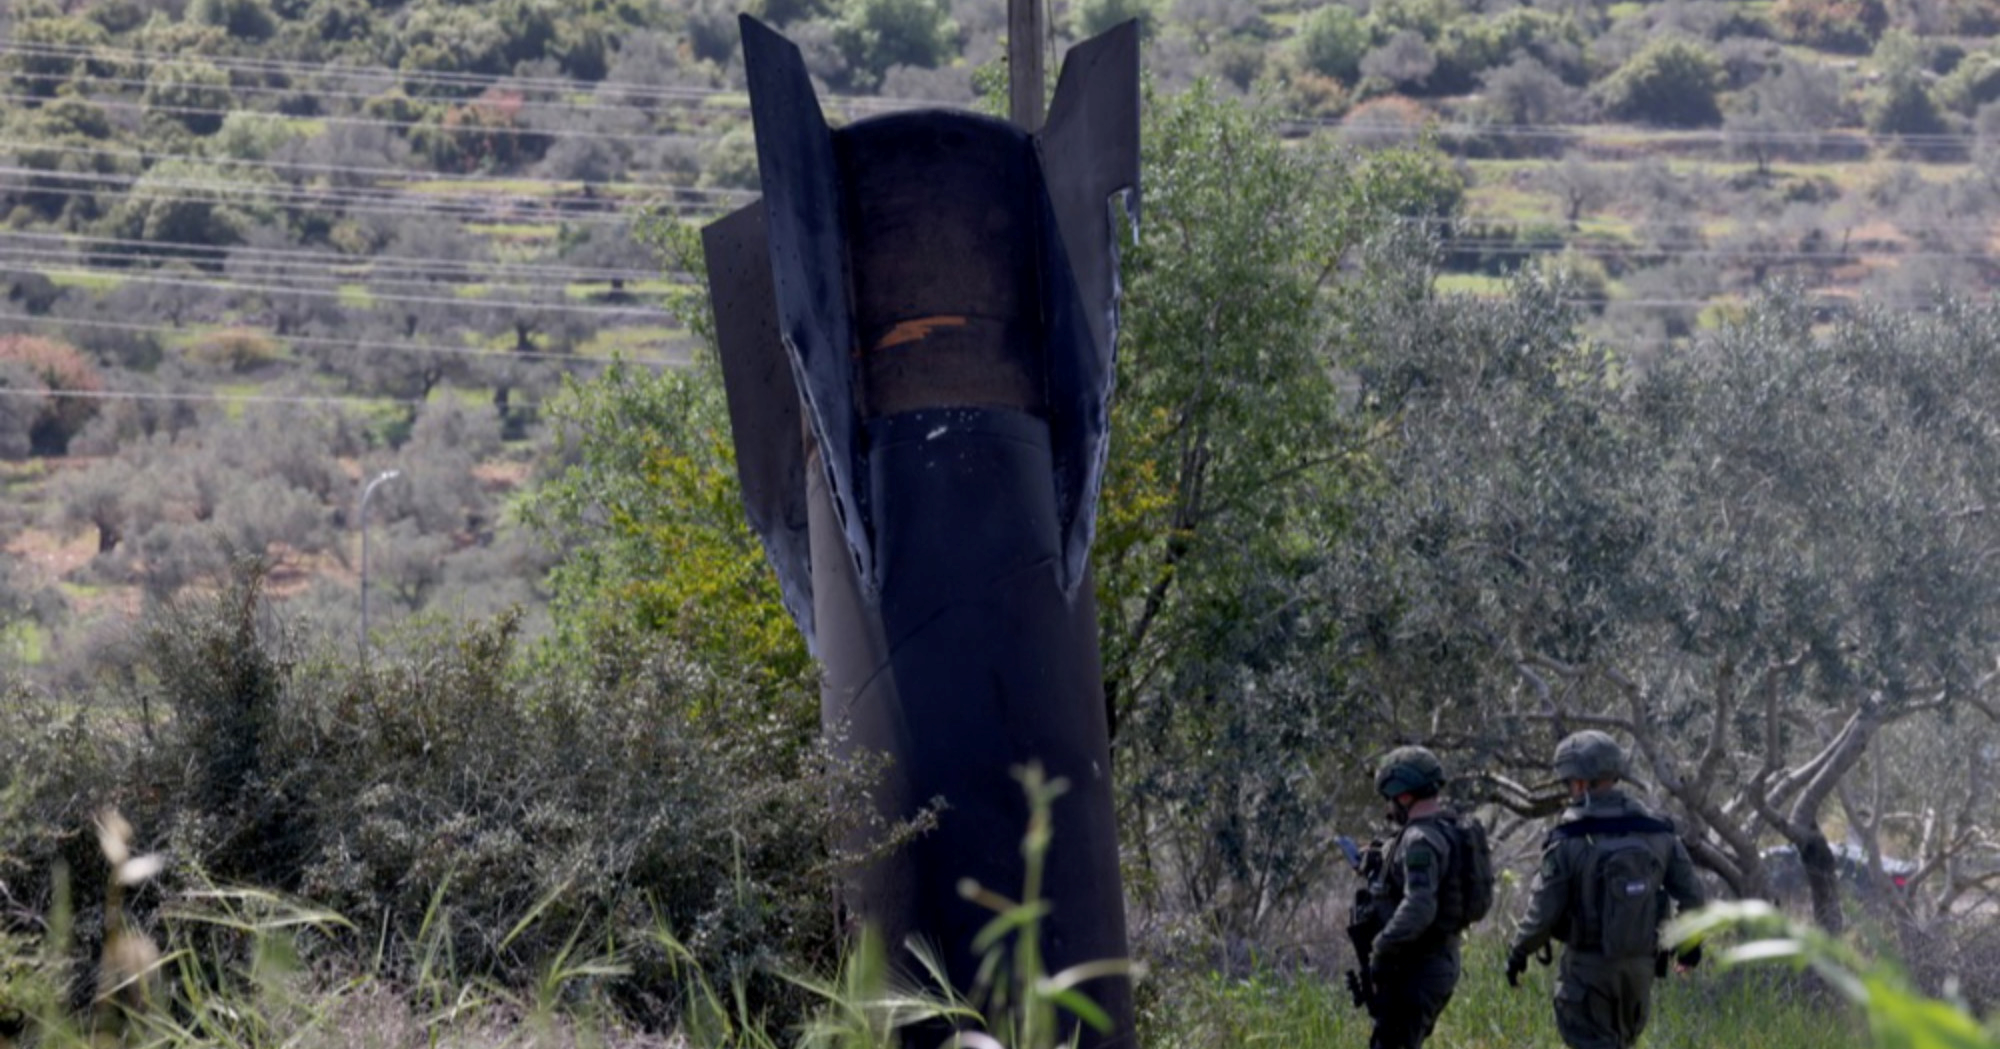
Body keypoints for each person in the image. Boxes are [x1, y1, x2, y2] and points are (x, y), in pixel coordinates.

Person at [1504, 730, 1707, 1049]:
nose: (1568, 791)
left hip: (1587, 973)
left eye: (1568, 783)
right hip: (1639, 974)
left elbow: (1541, 915)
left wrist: (1518, 953)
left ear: (1581, 783)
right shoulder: (1659, 833)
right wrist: (1689, 947)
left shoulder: (1567, 839)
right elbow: (1694, 898)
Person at [1358, 746, 1464, 1049]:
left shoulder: (1419, 841)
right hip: (1433, 961)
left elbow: (1420, 905)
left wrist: (1381, 950)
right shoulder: (1444, 828)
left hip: (1417, 968)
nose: (1389, 808)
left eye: (1390, 799)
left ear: (1404, 796)